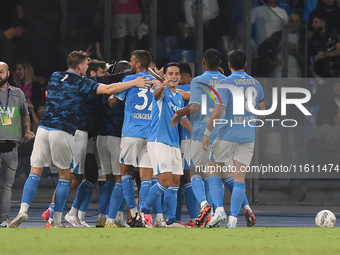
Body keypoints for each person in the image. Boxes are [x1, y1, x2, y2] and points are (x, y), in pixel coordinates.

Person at [9, 50, 149, 228]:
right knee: (65, 177)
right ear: (81, 66)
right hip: (62, 131)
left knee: (34, 172)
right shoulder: (80, 82)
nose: (87, 67)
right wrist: (134, 82)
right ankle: (57, 220)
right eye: (86, 64)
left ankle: (22, 210)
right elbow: (108, 88)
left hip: (43, 128)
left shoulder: (55, 76)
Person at [201, 50, 266, 228]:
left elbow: (218, 110)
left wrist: (207, 132)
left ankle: (220, 210)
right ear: (245, 64)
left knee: (213, 171)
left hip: (226, 135)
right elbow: (262, 112)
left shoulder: (225, 83)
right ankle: (233, 220)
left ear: (228, 65)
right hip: (247, 137)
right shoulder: (256, 84)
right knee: (239, 179)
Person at [171, 49, 227, 228]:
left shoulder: (197, 81)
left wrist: (179, 112)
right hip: (223, 135)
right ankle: (217, 213)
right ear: (220, 63)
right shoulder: (227, 82)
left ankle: (203, 206)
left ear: (203, 63)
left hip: (200, 134)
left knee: (196, 174)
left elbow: (194, 107)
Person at [138, 62, 192, 228]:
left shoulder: (178, 96)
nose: (174, 77)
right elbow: (156, 94)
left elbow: (182, 118)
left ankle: (171, 220)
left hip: (174, 144)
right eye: (170, 74)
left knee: (175, 182)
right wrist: (162, 84)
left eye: (177, 74)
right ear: (166, 76)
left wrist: (197, 135)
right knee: (165, 181)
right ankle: (144, 211)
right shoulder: (161, 91)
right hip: (158, 142)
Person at [108, 50, 156, 227]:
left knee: (126, 173)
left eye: (131, 60)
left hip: (131, 133)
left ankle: (134, 213)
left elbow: (113, 102)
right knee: (146, 177)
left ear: (137, 64)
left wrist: (114, 94)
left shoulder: (129, 80)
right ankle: (144, 213)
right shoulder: (156, 82)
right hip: (150, 134)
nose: (129, 63)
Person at [0, 62, 34, 228]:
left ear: (7, 74)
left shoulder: (17, 93)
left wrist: (27, 130)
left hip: (12, 146)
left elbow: (25, 116)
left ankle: (4, 219)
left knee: (7, 186)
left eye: (1, 72)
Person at [175, 61, 199, 227]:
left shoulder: (190, 89)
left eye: (178, 75)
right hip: (186, 139)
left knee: (186, 177)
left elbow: (191, 105)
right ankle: (176, 218)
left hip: (189, 139)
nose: (176, 78)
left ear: (188, 77)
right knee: (181, 180)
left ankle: (196, 217)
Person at [308, 14, 340, 78]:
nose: (313, 25)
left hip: (335, 73)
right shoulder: (312, 38)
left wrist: (325, 54)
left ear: (323, 23)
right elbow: (308, 59)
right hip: (320, 75)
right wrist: (314, 74)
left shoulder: (333, 34)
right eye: (313, 22)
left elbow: (338, 51)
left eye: (316, 22)